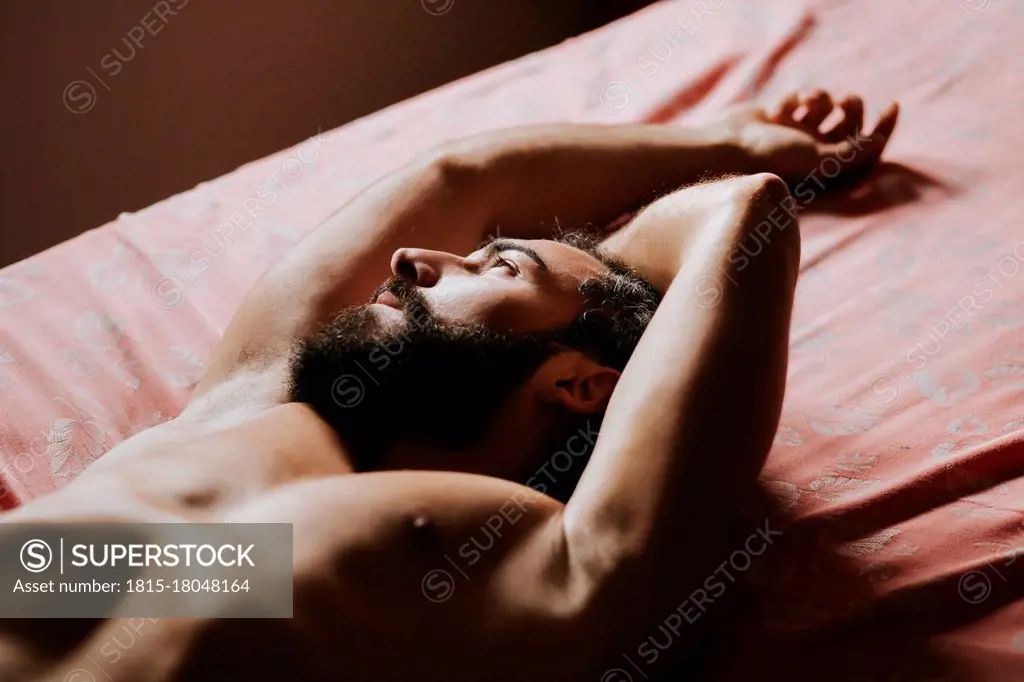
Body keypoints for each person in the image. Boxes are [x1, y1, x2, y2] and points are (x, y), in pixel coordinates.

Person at [0, 90, 897, 682]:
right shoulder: (258, 396)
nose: (410, 258)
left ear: (582, 383)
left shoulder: (552, 553)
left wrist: (614, 277)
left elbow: (747, 212)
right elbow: (464, 177)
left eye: (490, 263)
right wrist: (725, 136)